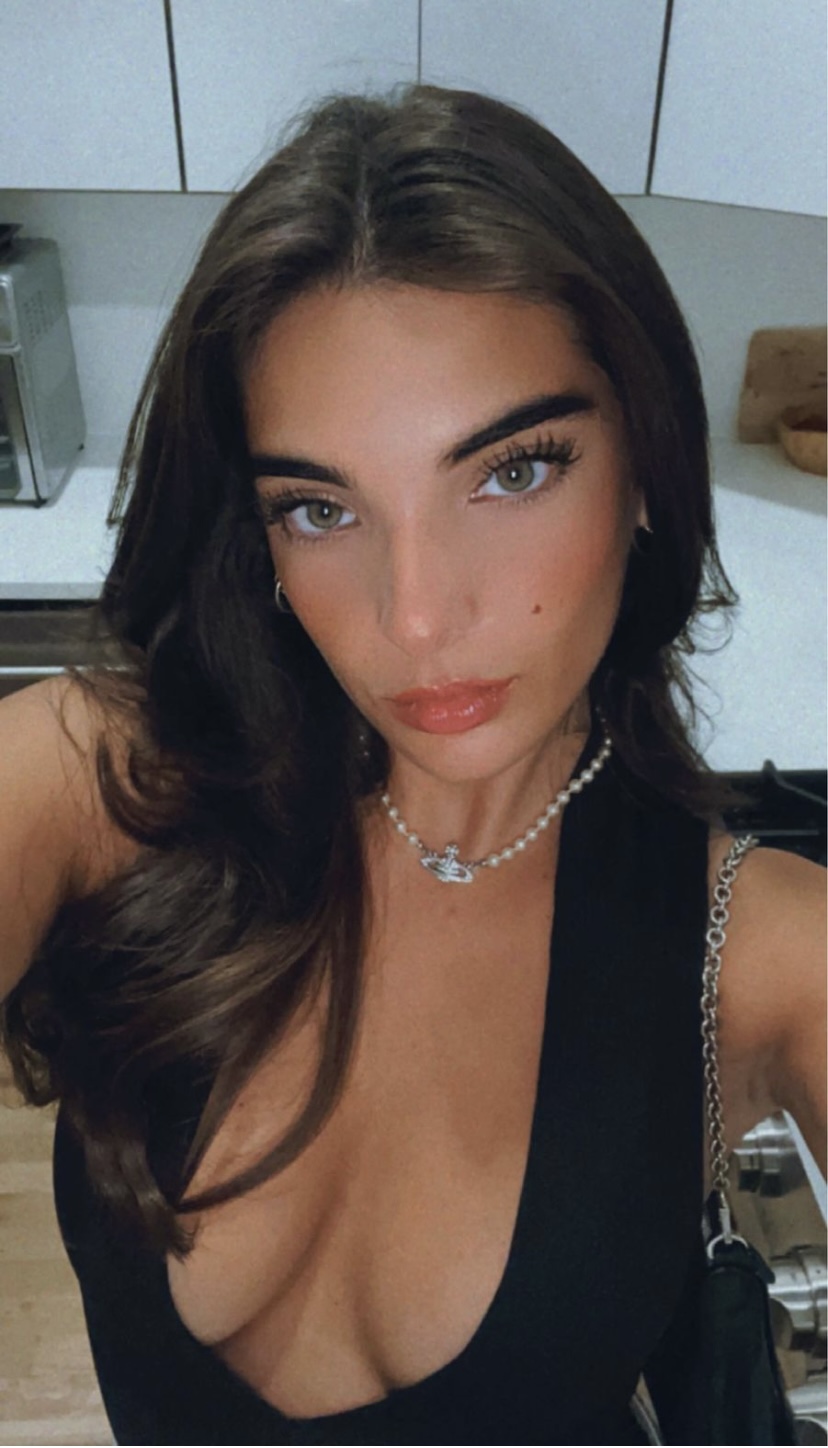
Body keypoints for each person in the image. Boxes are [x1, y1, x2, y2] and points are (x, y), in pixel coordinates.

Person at [0, 84, 824, 1446]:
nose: (419, 616)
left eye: (513, 471)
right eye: (320, 508)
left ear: (645, 467)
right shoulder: (104, 784)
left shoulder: (769, 954)